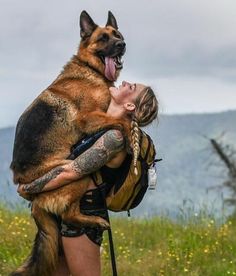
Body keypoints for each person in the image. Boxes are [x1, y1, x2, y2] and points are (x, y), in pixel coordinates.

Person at [18, 80, 158, 276]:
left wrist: (29, 188)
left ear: (129, 106)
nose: (125, 82)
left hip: (84, 214)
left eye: (131, 87)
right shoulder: (98, 126)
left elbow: (72, 171)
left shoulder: (115, 138)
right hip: (62, 210)